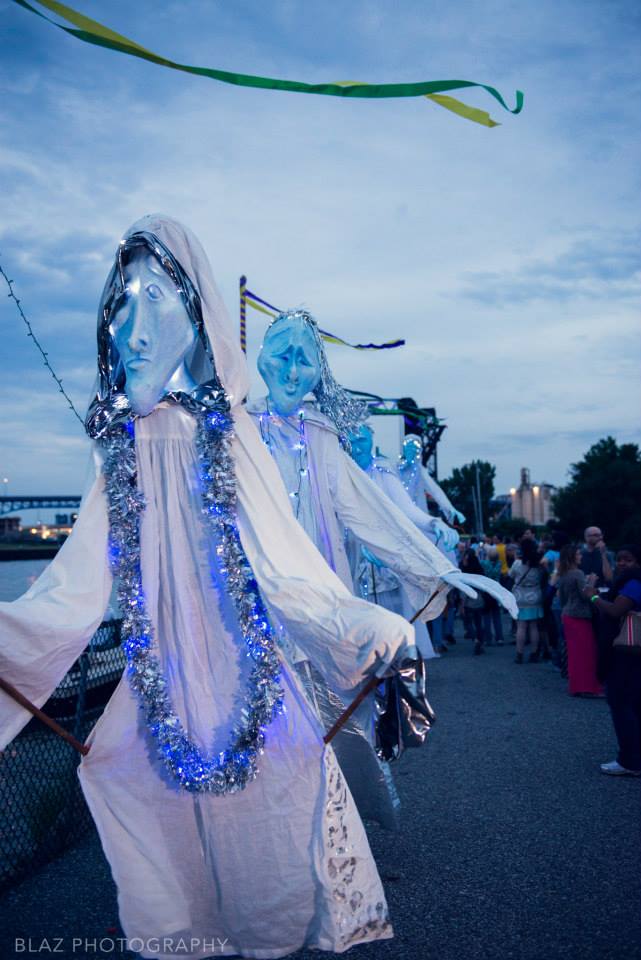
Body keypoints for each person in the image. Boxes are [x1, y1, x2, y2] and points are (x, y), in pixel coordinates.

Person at [0, 215, 420, 957]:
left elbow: (285, 564)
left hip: (241, 672)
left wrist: (361, 624)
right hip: (158, 680)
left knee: (276, 806)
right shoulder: (122, 446)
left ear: (195, 314)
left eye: (156, 300)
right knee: (147, 815)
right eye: (122, 304)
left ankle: (265, 924)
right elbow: (75, 587)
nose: (133, 333)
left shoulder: (230, 433)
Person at [584, 546, 641, 776]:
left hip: (628, 651)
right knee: (634, 703)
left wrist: (593, 596)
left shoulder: (634, 583)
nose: (622, 563)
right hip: (633, 652)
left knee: (621, 702)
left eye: (628, 559)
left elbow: (616, 611)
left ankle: (630, 760)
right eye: (619, 559)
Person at [557, 544, 602, 696]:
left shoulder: (563, 573)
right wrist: (592, 583)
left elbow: (562, 597)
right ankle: (587, 687)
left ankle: (577, 686)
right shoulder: (578, 573)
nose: (580, 556)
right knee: (586, 652)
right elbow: (585, 596)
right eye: (578, 554)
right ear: (572, 557)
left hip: (568, 614)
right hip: (579, 616)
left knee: (575, 653)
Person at [510, 537, 544, 664]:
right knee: (534, 626)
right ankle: (534, 653)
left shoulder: (517, 563)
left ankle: (519, 654)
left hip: (520, 596)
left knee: (521, 626)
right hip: (534, 595)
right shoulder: (539, 563)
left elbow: (510, 575)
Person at [480, 547, 504, 645]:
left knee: (486, 617)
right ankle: (499, 638)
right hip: (496, 591)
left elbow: (480, 561)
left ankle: (488, 638)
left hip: (486, 591)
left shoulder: (484, 563)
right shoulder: (499, 564)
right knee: (497, 616)